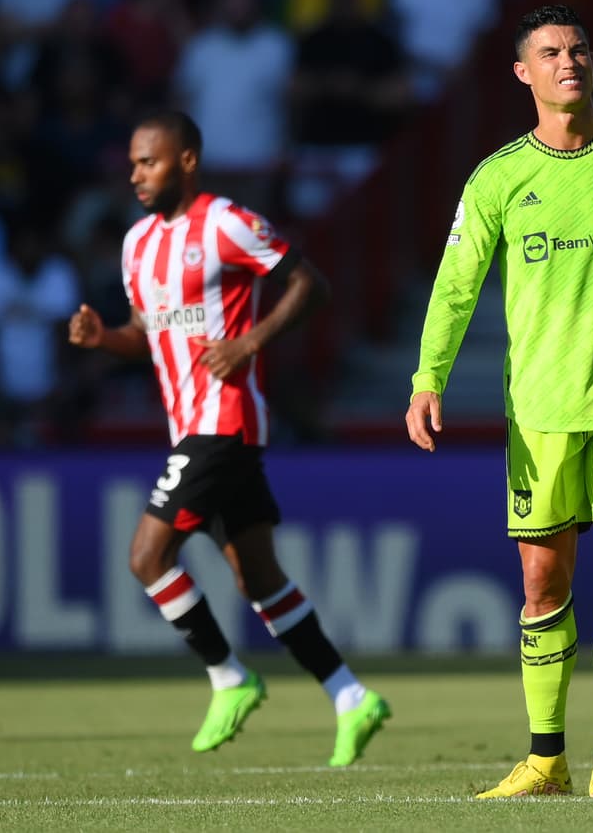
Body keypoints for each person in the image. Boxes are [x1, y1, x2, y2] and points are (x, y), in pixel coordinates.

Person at [405, 5, 593, 799]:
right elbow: (456, 284)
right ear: (522, 73)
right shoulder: (500, 177)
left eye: (578, 48)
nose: (569, 61)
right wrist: (427, 378)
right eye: (550, 52)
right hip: (539, 408)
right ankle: (545, 760)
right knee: (543, 583)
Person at [68, 110, 389, 764]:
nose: (135, 174)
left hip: (225, 421)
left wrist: (249, 341)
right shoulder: (136, 245)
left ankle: (228, 675)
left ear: (186, 160)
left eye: (148, 162)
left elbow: (311, 284)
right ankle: (351, 693)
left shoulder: (226, 223)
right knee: (259, 576)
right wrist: (105, 338)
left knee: (147, 556)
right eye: (131, 163)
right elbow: (146, 332)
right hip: (193, 427)